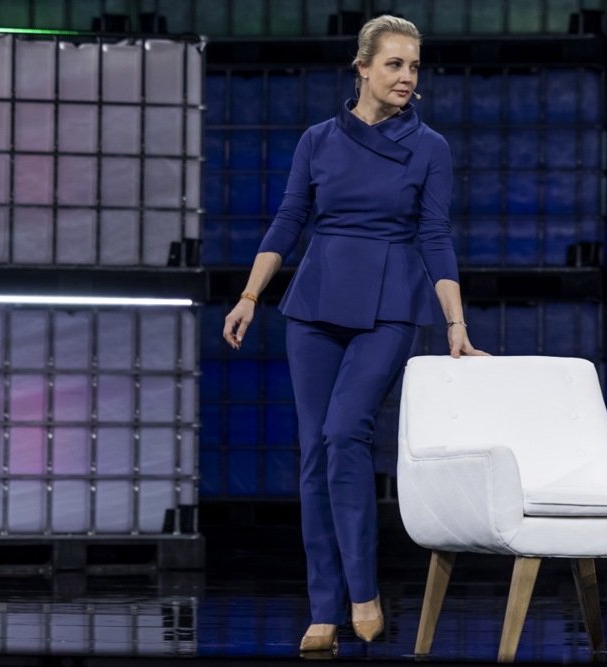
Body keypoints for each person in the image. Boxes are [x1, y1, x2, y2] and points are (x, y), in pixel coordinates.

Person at [222, 14, 486, 654]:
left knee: (346, 432)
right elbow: (289, 219)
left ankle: (363, 592)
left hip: (389, 302)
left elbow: (435, 236)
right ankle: (323, 610)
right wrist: (251, 295)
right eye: (394, 64)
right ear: (362, 67)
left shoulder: (430, 147)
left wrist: (455, 323)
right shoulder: (317, 140)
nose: (406, 77)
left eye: (415, 66)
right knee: (316, 452)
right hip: (313, 303)